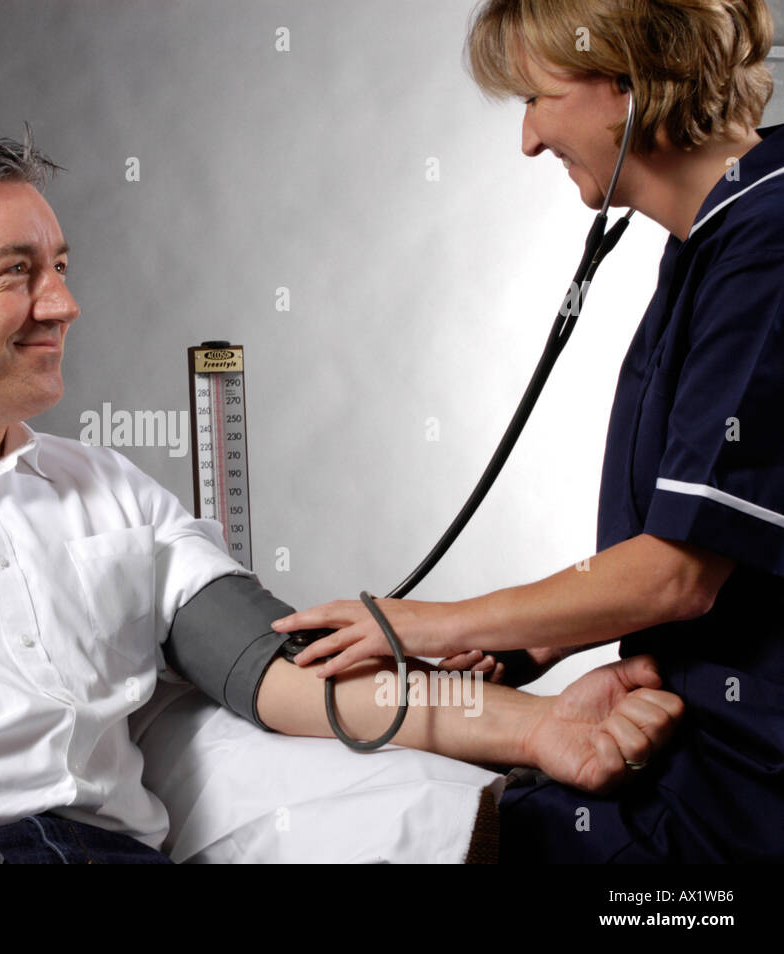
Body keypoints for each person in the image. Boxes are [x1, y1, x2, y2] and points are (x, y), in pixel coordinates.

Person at [0, 134, 683, 864]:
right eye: (19, 274)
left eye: (60, 266)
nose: (65, 302)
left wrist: (535, 728)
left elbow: (280, 675)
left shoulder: (108, 491)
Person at [273, 0, 782, 862]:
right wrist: (521, 643)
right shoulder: (717, 238)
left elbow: (680, 574)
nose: (529, 141)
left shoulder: (767, 245)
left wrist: (422, 624)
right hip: (696, 740)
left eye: (534, 101)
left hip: (746, 786)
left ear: (624, 84)